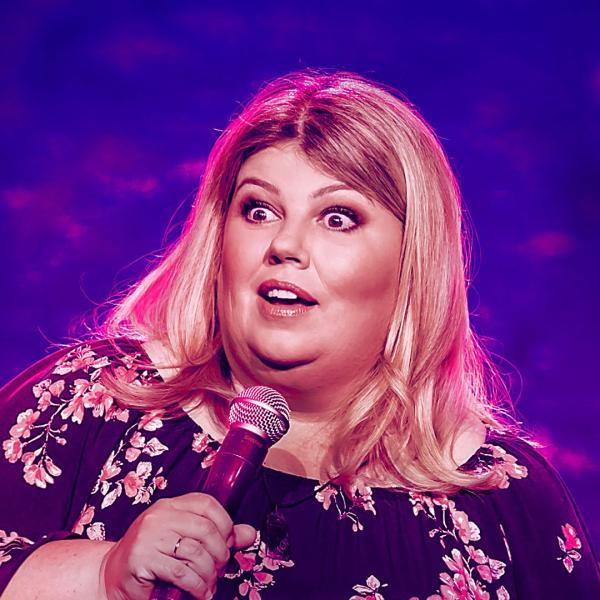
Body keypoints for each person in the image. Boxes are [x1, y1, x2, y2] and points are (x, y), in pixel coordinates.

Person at [0, 70, 598, 600]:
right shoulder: (86, 404)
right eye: (258, 210)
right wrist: (101, 577)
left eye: (338, 217)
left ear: (410, 264)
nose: (284, 246)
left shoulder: (505, 503)